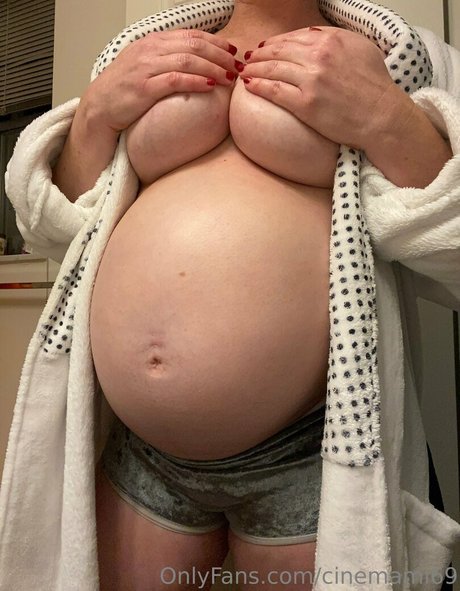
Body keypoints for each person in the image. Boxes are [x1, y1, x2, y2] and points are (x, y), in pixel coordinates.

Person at [1, 1, 460, 590]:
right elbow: (55, 230)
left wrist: (383, 115)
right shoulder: (142, 53)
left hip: (315, 447)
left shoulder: (397, 56)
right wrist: (93, 115)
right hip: (137, 450)